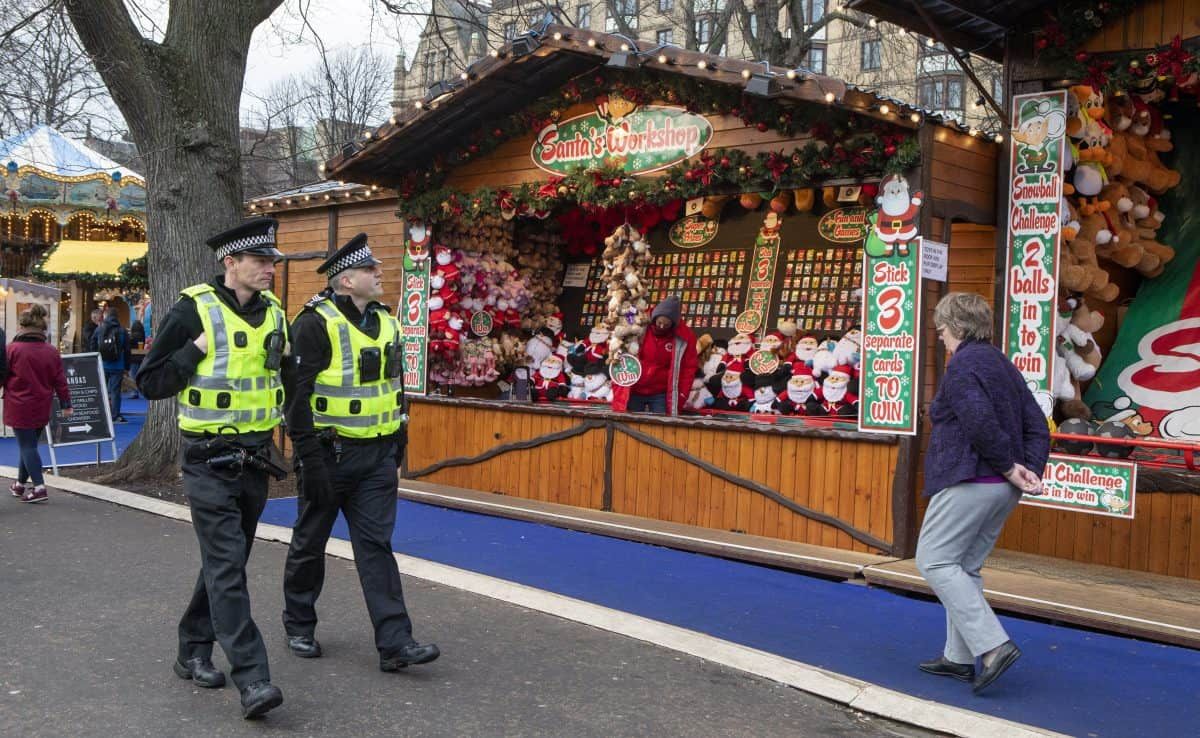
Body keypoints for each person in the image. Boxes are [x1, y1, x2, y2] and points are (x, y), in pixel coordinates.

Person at [136, 217, 289, 719]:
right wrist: (194, 349)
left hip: (254, 460)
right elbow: (151, 381)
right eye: (260, 262)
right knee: (227, 565)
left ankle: (191, 650)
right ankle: (253, 679)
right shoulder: (193, 309)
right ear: (231, 263)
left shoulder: (274, 315)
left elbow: (282, 381)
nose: (269, 270)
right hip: (206, 459)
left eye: (271, 262)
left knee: (228, 563)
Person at [281, 233, 439, 672]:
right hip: (329, 455)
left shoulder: (386, 320)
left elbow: (396, 387)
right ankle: (298, 623)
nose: (380, 273)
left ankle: (395, 643)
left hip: (377, 457)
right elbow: (296, 399)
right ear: (346, 280)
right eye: (371, 270)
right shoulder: (314, 323)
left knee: (376, 547)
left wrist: (397, 445)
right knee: (310, 542)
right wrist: (309, 460)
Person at [915, 292, 1049, 695]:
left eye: (941, 329)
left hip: (969, 480)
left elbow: (979, 422)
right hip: (1001, 489)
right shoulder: (1003, 364)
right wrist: (1026, 471)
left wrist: (1010, 467)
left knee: (934, 561)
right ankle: (958, 659)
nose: (940, 337)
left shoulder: (963, 366)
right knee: (965, 568)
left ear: (956, 326)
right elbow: (1037, 424)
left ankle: (993, 646)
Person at [4, 305, 72, 503]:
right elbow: (60, 380)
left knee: (26, 446)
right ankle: (19, 485)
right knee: (29, 445)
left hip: (18, 404)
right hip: (42, 404)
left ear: (22, 326)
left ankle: (40, 487)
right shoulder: (51, 351)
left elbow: (3, 374)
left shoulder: (12, 349)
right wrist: (66, 403)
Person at [613, 295, 697, 415]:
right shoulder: (637, 324)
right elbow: (618, 350)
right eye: (659, 322)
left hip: (661, 393)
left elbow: (689, 368)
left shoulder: (685, 337)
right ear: (654, 318)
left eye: (666, 325)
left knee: (660, 426)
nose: (661, 327)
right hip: (634, 388)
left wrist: (682, 394)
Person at [91, 307, 130, 423]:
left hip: (103, 364)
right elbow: (127, 350)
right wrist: (127, 367)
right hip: (118, 365)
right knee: (115, 391)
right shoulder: (122, 331)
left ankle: (100, 413)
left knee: (102, 389)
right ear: (117, 317)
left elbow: (92, 343)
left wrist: (96, 359)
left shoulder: (100, 329)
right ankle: (115, 415)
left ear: (106, 316)